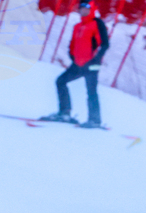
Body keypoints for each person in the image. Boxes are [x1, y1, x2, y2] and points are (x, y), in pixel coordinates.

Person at [40, 0, 109, 129]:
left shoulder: (97, 23)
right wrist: (73, 57)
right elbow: (72, 46)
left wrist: (95, 59)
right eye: (81, 8)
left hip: (92, 65)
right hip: (78, 65)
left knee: (91, 91)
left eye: (87, 8)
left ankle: (95, 121)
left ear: (92, 9)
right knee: (61, 81)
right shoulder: (78, 26)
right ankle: (64, 113)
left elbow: (104, 44)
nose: (83, 10)